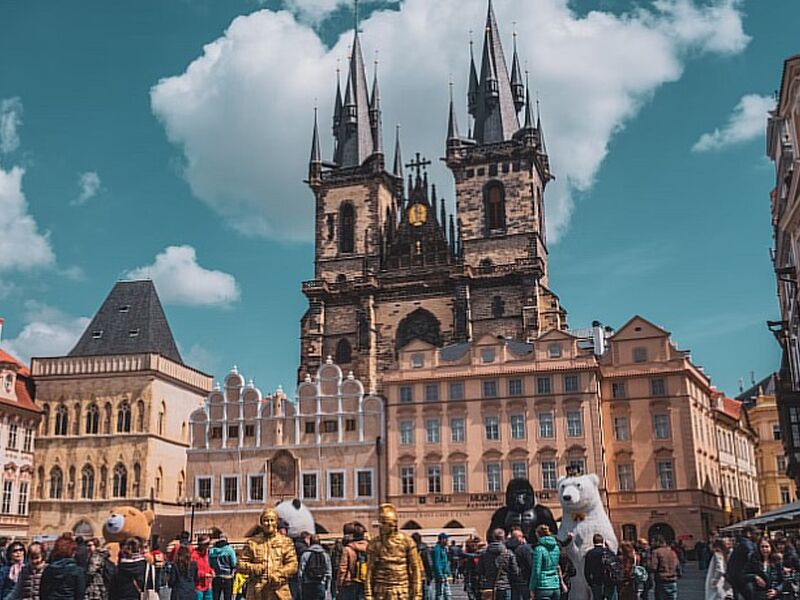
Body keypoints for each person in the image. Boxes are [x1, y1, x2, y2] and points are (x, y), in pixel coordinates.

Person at [237, 507, 298, 600]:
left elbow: (293, 565)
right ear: (261, 523)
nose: (269, 523)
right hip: (257, 590)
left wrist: (279, 574)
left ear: (276, 522)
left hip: (279, 590)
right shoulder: (252, 542)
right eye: (266, 520)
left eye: (272, 520)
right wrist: (254, 568)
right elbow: (240, 564)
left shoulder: (285, 542)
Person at [39, 535, 86, 600]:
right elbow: (80, 595)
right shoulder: (77, 571)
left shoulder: (48, 570)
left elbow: (42, 593)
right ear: (72, 551)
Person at [478, 528, 519, 600]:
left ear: (493, 537)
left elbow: (480, 570)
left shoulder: (484, 553)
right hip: (505, 586)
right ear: (503, 538)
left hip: (489, 586)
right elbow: (515, 571)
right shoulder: (508, 553)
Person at [727, 526, 766, 600]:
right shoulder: (748, 546)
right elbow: (754, 563)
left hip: (736, 579)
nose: (759, 536)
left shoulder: (740, 544)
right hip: (745, 580)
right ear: (749, 534)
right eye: (757, 534)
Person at [529, 524, 561, 600]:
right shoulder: (556, 547)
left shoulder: (539, 549)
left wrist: (532, 587)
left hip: (543, 586)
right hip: (555, 585)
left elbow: (536, 570)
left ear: (538, 534)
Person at [338, 524, 369, 600]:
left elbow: (343, 568)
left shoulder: (348, 549)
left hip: (350, 581)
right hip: (366, 581)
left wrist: (340, 584)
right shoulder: (370, 548)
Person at [584, 534, 619, 600]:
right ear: (603, 541)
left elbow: (587, 570)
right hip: (609, 581)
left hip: (596, 581)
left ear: (593, 542)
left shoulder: (590, 553)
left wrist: (590, 582)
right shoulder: (608, 552)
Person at [298, 534, 331, 600]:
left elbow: (301, 571)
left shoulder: (306, 554)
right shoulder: (325, 554)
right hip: (321, 583)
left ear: (310, 542)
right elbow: (329, 572)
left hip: (308, 585)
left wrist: (301, 584)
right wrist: (327, 587)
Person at [649, 536, 679, 600]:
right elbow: (677, 565)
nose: (651, 543)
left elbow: (653, 567)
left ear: (658, 542)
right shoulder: (672, 552)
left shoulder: (656, 552)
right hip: (672, 580)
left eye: (653, 541)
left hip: (661, 580)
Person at [210, 535, 237, 600]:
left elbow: (210, 564)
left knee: (216, 597)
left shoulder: (212, 550)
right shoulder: (230, 550)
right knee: (227, 597)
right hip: (228, 577)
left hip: (216, 576)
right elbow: (234, 563)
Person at [191, 535, 215, 600]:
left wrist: (211, 571)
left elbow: (208, 565)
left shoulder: (207, 554)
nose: (208, 546)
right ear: (201, 545)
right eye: (207, 544)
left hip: (207, 584)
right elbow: (192, 571)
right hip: (198, 586)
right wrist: (204, 574)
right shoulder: (194, 555)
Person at [432, 533, 452, 600]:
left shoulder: (443, 549)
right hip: (441, 575)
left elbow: (446, 562)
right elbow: (437, 562)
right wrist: (440, 574)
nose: (447, 541)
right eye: (446, 539)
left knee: (447, 593)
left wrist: (449, 573)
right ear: (442, 540)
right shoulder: (437, 549)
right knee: (440, 593)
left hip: (445, 574)